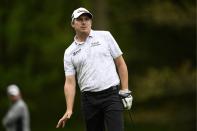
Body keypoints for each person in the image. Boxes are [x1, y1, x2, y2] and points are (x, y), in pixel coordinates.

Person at [56, 7, 133, 131]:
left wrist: (125, 90)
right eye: (80, 19)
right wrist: (69, 109)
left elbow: (120, 64)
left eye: (87, 19)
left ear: (91, 22)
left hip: (111, 96)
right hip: (89, 100)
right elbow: (70, 82)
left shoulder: (105, 36)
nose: (84, 22)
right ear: (73, 24)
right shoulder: (69, 52)